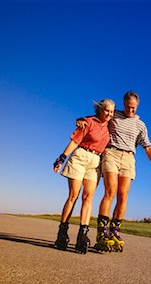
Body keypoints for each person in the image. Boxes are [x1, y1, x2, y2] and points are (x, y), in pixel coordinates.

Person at [77, 91, 151, 252]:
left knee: (123, 196)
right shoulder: (114, 114)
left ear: (137, 106)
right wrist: (82, 119)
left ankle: (114, 232)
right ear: (124, 104)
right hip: (112, 153)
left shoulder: (140, 125)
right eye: (128, 107)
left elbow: (147, 146)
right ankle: (102, 234)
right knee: (111, 190)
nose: (131, 110)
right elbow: (99, 117)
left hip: (129, 158)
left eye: (134, 108)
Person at [53, 98, 115, 254]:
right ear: (100, 109)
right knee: (74, 195)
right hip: (80, 157)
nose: (109, 114)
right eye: (107, 110)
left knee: (88, 198)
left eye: (112, 112)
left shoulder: (110, 126)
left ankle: (82, 235)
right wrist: (61, 158)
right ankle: (62, 233)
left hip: (95, 162)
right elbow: (75, 141)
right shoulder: (87, 122)